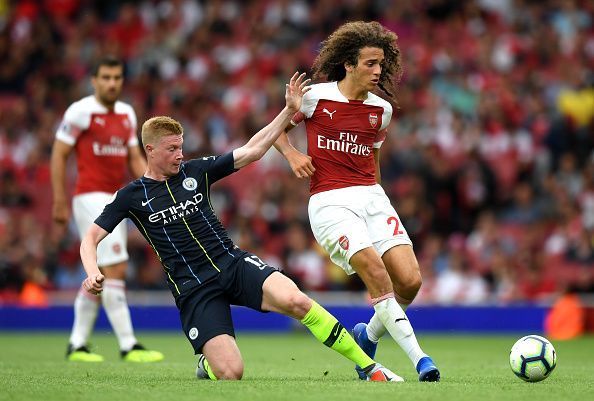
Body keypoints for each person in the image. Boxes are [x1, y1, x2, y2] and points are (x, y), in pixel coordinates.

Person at [78, 72, 403, 381]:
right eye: (171, 149)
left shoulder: (196, 171)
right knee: (232, 372)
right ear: (150, 150)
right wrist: (92, 271)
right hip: (194, 288)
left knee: (298, 301)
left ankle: (369, 367)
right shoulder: (131, 196)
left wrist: (288, 111)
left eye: (181, 147)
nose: (180, 154)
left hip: (231, 263)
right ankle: (208, 361)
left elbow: (253, 149)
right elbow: (91, 237)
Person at [273, 21, 440, 382]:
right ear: (349, 64)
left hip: (371, 197)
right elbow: (276, 133)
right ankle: (421, 360)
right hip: (330, 201)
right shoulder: (316, 97)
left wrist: (377, 201)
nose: (378, 71)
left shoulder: (382, 111)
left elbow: (372, 159)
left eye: (381, 64)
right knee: (377, 274)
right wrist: (292, 155)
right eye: (370, 64)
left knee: (410, 282)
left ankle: (368, 334)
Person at [51, 56, 164, 363]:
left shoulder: (127, 114)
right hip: (88, 196)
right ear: (94, 80)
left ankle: (77, 343)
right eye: (106, 77)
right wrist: (60, 200)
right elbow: (59, 154)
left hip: (116, 199)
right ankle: (128, 345)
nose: (112, 83)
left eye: (117, 77)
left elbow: (134, 157)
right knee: (116, 269)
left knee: (102, 273)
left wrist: (152, 186)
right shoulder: (81, 111)